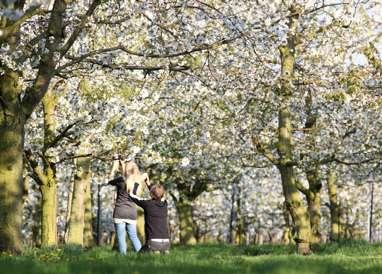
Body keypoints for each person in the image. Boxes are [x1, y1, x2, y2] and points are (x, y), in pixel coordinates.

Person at [108, 161, 145, 254]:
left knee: (121, 237)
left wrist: (114, 168)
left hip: (120, 212)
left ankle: (123, 258)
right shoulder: (137, 184)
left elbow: (109, 181)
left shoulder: (120, 180)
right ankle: (143, 255)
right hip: (131, 213)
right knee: (133, 236)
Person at [128, 184, 170, 254]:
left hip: (153, 242)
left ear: (151, 194)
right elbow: (158, 194)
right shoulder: (165, 204)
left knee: (140, 256)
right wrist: (148, 184)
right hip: (166, 242)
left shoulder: (148, 204)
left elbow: (132, 195)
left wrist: (135, 185)